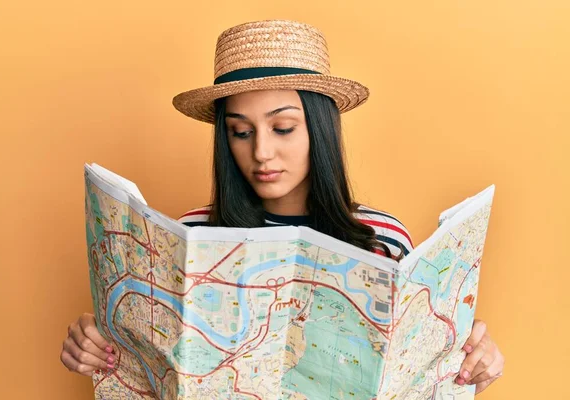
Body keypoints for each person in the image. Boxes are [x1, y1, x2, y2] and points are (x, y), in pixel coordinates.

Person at [60, 19, 504, 395]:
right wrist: (104, 341)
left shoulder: (382, 239)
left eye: (284, 127)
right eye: (241, 131)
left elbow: (411, 379)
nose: (262, 153)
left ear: (320, 128)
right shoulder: (191, 237)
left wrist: (467, 363)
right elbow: (158, 374)